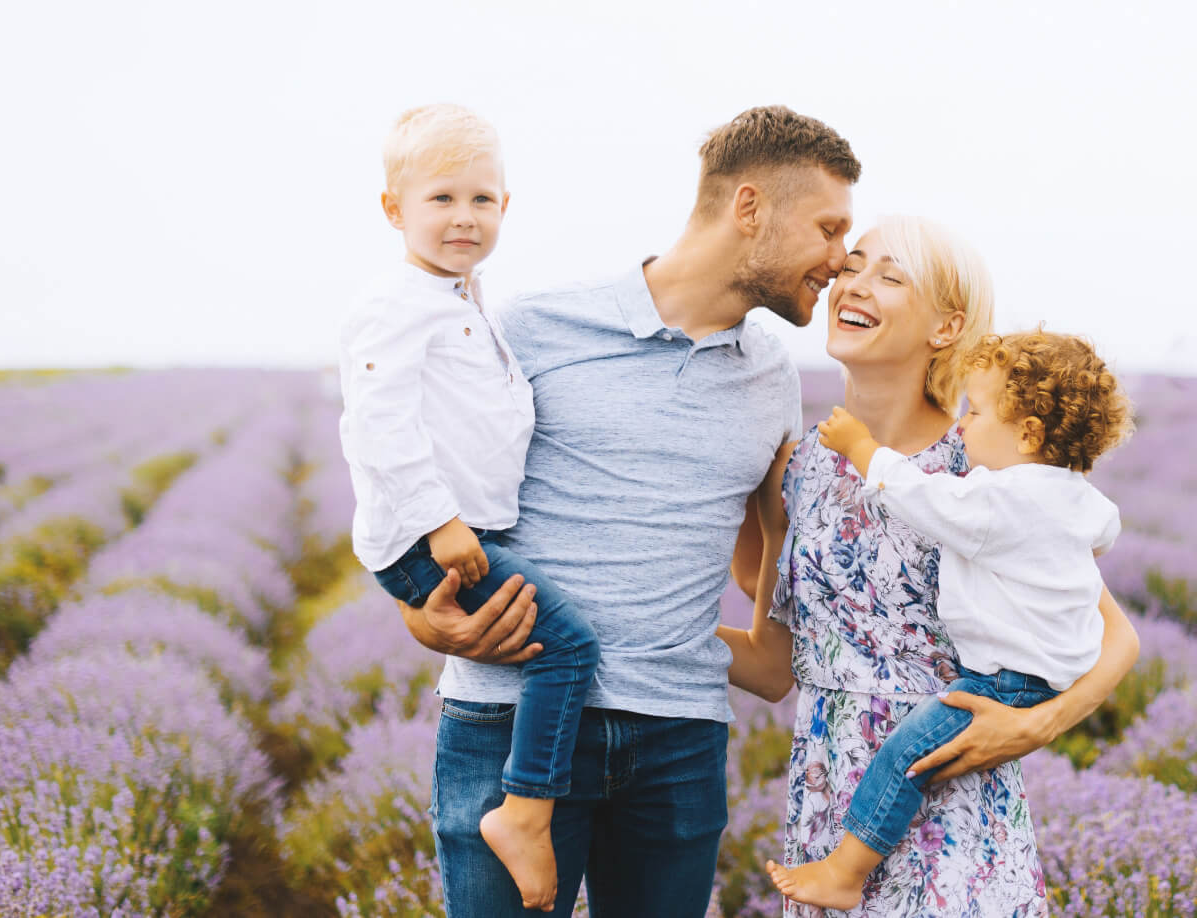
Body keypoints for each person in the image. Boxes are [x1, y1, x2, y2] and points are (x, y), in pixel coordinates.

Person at [395, 105, 861, 917]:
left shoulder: (772, 378)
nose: (841, 257)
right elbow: (420, 496)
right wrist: (424, 620)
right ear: (749, 207)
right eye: (828, 227)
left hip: (677, 740)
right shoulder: (534, 328)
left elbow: (766, 561)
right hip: (510, 722)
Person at [720, 217, 1140, 915]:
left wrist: (1039, 723)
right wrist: (633, 632)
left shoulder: (979, 462)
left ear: (946, 328)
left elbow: (1116, 637)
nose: (853, 284)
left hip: (950, 790)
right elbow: (771, 664)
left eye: (889, 276)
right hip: (831, 799)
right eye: (852, 266)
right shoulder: (794, 469)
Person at [338, 103, 599, 911]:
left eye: (482, 199)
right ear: (394, 210)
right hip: (431, 537)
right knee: (569, 648)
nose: (465, 217)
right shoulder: (397, 303)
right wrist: (441, 519)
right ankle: (523, 812)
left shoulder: (464, 300)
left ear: (506, 208)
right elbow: (375, 425)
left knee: (547, 648)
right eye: (442, 199)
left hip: (463, 529)